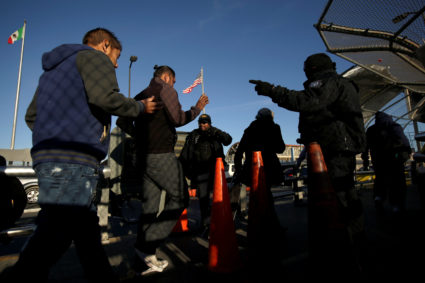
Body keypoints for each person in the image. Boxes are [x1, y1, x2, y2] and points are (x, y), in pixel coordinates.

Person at [2, 28, 159, 283]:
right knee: (56, 234)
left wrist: (54, 135)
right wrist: (141, 107)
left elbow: (31, 116)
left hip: (50, 157)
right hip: (75, 159)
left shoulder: (51, 73)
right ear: (105, 45)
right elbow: (105, 98)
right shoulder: (94, 58)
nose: (117, 65)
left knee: (85, 232)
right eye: (117, 58)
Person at [250, 53, 366, 278]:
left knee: (341, 201)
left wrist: (273, 90)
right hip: (336, 149)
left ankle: (348, 256)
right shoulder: (340, 84)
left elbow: (307, 101)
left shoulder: (327, 83)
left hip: (333, 150)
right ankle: (346, 250)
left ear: (311, 69)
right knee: (341, 199)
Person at [116, 65, 208, 275]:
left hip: (144, 159)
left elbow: (122, 121)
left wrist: (140, 136)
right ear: (167, 77)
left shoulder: (141, 95)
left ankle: (143, 261)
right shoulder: (165, 89)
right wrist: (196, 108)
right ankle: (146, 246)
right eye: (174, 81)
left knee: (149, 208)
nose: (174, 85)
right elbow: (178, 119)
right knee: (180, 198)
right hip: (161, 156)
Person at [234, 108, 286, 231]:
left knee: (257, 197)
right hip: (269, 168)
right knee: (266, 197)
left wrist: (239, 169)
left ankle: (259, 226)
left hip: (251, 168)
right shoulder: (274, 128)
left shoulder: (249, 130)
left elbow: (239, 151)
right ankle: (271, 226)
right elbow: (281, 148)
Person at [179, 113, 232, 233]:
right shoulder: (194, 135)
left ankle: (221, 221)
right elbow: (186, 153)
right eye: (201, 122)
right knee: (203, 199)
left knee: (219, 198)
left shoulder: (214, 132)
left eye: (205, 122)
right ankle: (206, 224)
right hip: (200, 172)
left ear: (210, 123)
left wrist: (217, 133)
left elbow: (228, 140)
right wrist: (183, 168)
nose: (203, 124)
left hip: (216, 171)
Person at [361, 111, 411, 214]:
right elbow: (403, 140)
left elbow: (364, 147)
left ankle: (378, 198)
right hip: (394, 160)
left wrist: (365, 160)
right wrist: (407, 152)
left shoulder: (370, 130)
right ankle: (396, 205)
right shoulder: (392, 125)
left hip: (378, 161)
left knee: (380, 180)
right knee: (397, 182)